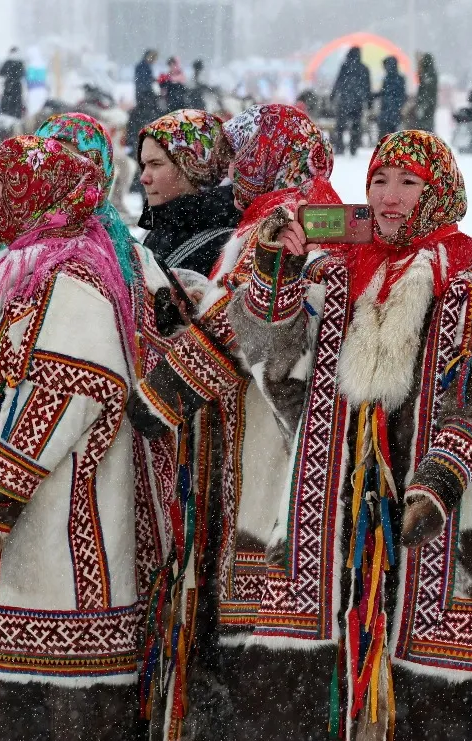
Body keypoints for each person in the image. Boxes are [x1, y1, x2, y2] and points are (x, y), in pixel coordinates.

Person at [222, 129, 472, 739]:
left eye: (408, 183)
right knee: (309, 699)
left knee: (439, 704)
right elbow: (278, 367)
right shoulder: (335, 270)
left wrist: (445, 469)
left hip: (454, 529)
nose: (389, 197)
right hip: (332, 526)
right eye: (379, 180)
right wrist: (275, 274)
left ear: (440, 192)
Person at [0, 136, 159, 741]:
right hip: (26, 542)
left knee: (49, 715)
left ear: (33, 194)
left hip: (65, 548)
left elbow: (58, 399)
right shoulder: (24, 266)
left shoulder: (75, 278)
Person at [127, 103, 338, 741]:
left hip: (275, 435)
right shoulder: (297, 213)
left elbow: (247, 322)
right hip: (270, 430)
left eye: (244, 156)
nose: (234, 171)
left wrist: (166, 391)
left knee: (258, 616)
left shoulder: (291, 220)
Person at [135, 109, 238, 275]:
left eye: (156, 164)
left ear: (196, 169)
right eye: (143, 165)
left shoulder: (228, 244)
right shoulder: (169, 221)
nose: (143, 178)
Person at [331, 46, 372, 156]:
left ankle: (340, 147)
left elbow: (338, 82)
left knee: (340, 125)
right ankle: (353, 147)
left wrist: (333, 95)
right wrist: (369, 102)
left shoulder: (345, 67)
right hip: (357, 102)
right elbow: (367, 86)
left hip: (344, 100)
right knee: (356, 125)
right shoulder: (364, 68)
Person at [128, 49, 162, 154]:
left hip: (144, 95)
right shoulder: (143, 66)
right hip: (144, 96)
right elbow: (143, 82)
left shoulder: (144, 66)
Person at [376, 55, 407, 139]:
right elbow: (403, 95)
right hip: (395, 111)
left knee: (384, 134)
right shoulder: (400, 78)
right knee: (394, 134)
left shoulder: (387, 78)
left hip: (387, 110)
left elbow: (385, 93)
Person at [410, 52, 438, 132]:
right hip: (427, 104)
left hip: (426, 105)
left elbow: (427, 92)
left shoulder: (429, 74)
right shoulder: (428, 73)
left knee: (425, 127)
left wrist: (423, 105)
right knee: (425, 127)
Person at [0, 47, 25, 118]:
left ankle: (7, 116)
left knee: (7, 103)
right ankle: (16, 116)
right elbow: (23, 74)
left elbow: (0, 73)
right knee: (16, 103)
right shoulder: (20, 62)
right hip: (17, 86)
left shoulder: (8, 62)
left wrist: (9, 76)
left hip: (9, 86)